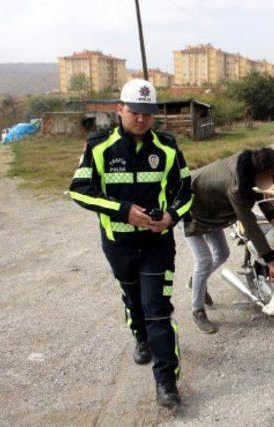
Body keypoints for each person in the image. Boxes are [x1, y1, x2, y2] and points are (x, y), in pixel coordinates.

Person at [69, 79, 192, 410]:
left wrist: (171, 216)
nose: (141, 119)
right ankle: (139, 337)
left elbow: (187, 191)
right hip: (118, 244)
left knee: (158, 311)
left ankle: (166, 381)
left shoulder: (167, 147)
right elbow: (79, 190)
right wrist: (123, 211)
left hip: (157, 245)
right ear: (119, 109)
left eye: (148, 113)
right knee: (133, 298)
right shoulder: (97, 147)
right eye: (135, 112)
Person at [183, 148, 274, 333]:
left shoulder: (249, 165)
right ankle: (197, 311)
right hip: (191, 209)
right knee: (204, 261)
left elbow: (260, 190)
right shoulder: (235, 187)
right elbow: (250, 225)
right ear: (257, 173)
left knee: (222, 253)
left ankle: (196, 281)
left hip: (212, 209)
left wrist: (272, 216)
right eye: (267, 175)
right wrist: (270, 262)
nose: (270, 179)